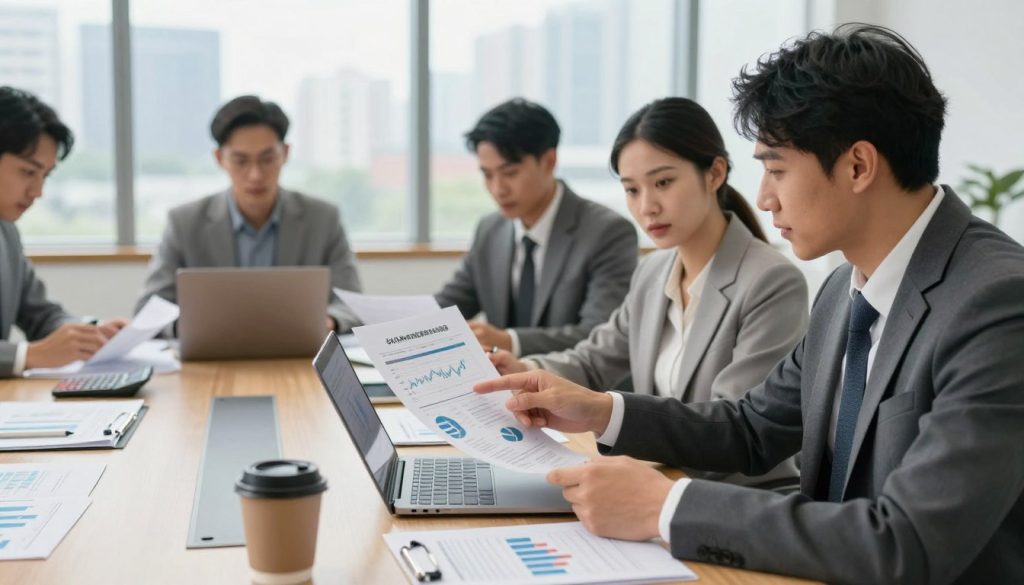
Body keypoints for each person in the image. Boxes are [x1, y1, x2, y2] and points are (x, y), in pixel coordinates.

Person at [475, 24, 1024, 584]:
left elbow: (906, 542)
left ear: (858, 166)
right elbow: (751, 427)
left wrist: (666, 507)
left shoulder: (998, 304)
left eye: (777, 169)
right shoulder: (845, 290)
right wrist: (599, 410)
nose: (763, 196)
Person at [489, 97, 808, 488]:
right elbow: (593, 361)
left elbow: (735, 427)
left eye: (663, 182)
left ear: (714, 174)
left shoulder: (771, 280)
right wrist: (523, 373)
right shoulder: (654, 272)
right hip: (658, 482)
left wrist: (607, 415)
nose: (647, 207)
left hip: (733, 498)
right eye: (631, 190)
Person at [136, 95, 362, 332]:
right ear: (220, 159)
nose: (255, 174)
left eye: (267, 159)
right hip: (212, 358)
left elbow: (351, 303)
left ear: (285, 154)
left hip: (299, 359)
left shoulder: (323, 219)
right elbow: (148, 310)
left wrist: (329, 321)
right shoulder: (184, 223)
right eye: (240, 160)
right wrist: (196, 326)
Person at [435, 98, 638, 356]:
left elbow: (600, 334)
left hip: (576, 389)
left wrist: (509, 340)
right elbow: (447, 306)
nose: (498, 189)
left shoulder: (607, 232)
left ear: (549, 161)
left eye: (510, 173)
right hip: (504, 387)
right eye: (487, 175)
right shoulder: (490, 229)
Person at [0, 86, 126, 377]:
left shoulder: (7, 232)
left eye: (45, 175)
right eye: (28, 172)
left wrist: (91, 333)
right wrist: (28, 355)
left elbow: (41, 313)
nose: (38, 191)